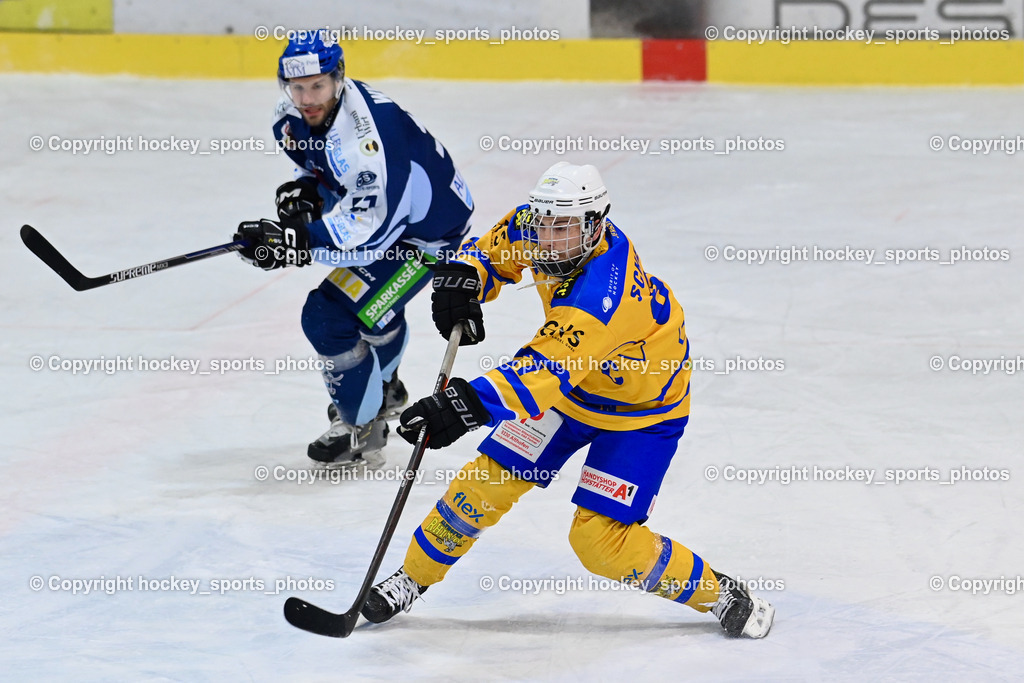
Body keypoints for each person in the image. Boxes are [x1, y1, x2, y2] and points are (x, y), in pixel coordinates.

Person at [359, 162, 775, 638]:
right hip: (570, 392)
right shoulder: (547, 224)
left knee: (598, 544)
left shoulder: (602, 296)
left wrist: (463, 405)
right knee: (481, 486)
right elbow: (494, 251)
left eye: (564, 229)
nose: (548, 241)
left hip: (641, 414)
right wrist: (466, 276)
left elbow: (543, 369)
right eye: (544, 226)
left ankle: (718, 592)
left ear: (596, 225)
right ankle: (412, 578)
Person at [234, 32, 474, 466]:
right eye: (298, 87)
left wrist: (299, 243)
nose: (307, 98)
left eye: (318, 86)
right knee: (369, 303)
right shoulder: (294, 114)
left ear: (338, 78)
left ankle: (361, 425)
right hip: (396, 213)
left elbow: (374, 236)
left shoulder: (369, 143)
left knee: (328, 315)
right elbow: (323, 167)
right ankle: (386, 388)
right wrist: (305, 189)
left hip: (425, 238)